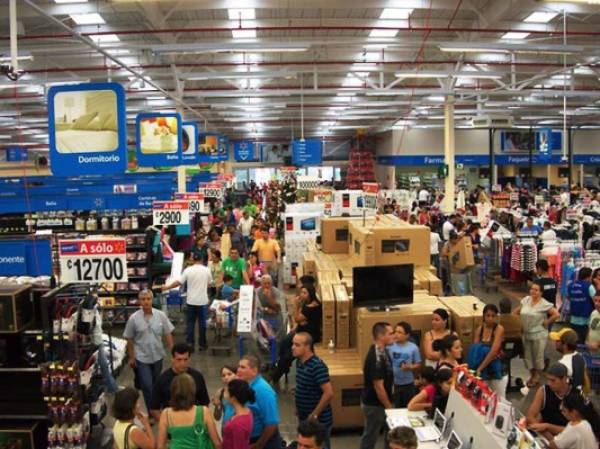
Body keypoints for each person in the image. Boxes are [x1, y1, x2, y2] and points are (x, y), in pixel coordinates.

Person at [123, 289, 174, 410]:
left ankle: (158, 405)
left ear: (152, 300)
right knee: (147, 386)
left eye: (148, 299)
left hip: (157, 356)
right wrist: (131, 357)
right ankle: (152, 411)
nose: (146, 302)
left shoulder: (161, 316)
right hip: (142, 358)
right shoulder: (133, 319)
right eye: (143, 299)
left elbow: (167, 334)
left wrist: (174, 353)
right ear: (139, 301)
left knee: (157, 384)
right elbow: (129, 338)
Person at [271, 284, 323, 384]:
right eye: (301, 292)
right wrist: (299, 322)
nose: (302, 295)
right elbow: (300, 321)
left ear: (311, 294)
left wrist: (295, 305)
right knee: (284, 343)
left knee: (288, 355)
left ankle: (276, 375)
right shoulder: (306, 303)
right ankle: (282, 366)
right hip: (300, 330)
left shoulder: (312, 307)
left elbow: (297, 318)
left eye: (305, 293)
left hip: (308, 335)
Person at [161, 252, 212, 351]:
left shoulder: (188, 270)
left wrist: (167, 287)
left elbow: (178, 283)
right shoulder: (207, 270)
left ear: (193, 260)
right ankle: (202, 344)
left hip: (191, 301)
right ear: (201, 260)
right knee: (202, 324)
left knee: (190, 323)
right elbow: (210, 284)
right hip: (202, 301)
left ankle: (190, 344)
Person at [513, 281, 560, 387]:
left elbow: (556, 314)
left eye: (536, 290)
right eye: (532, 289)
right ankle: (532, 374)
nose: (533, 291)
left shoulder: (544, 304)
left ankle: (537, 376)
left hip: (539, 335)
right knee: (528, 357)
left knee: (538, 357)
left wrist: (547, 322)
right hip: (526, 333)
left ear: (541, 293)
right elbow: (515, 313)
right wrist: (518, 324)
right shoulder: (526, 300)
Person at [157, 373, 222, 449]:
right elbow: (217, 443)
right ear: (192, 390)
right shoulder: (203, 411)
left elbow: (160, 446)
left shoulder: (166, 413)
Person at [292, 332, 334, 448]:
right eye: (293, 344)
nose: (293, 347)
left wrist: (315, 414)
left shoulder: (317, 366)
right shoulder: (299, 362)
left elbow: (328, 393)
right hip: (304, 418)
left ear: (307, 347)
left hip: (318, 422)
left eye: (297, 345)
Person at [149, 343, 210, 422]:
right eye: (179, 360)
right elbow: (154, 409)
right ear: (173, 359)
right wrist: (167, 425)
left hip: (193, 422)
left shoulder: (197, 377)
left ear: (189, 359)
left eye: (185, 359)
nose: (182, 363)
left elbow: (205, 403)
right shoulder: (162, 380)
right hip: (171, 423)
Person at [360, 322, 395, 449]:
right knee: (370, 436)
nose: (394, 336)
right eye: (391, 333)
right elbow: (378, 387)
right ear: (381, 336)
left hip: (380, 403)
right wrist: (389, 409)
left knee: (389, 435)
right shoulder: (376, 357)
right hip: (375, 405)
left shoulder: (382, 351)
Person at [236, 355, 282, 449]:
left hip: (264, 442)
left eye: (243, 367)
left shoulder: (263, 391)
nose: (238, 370)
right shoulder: (246, 386)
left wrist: (258, 445)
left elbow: (271, 424)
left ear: (254, 371)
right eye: (238, 366)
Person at [526, 363, 573, 438]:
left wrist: (548, 427)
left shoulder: (575, 396)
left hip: (566, 438)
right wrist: (547, 435)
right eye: (548, 380)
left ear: (564, 379)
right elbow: (530, 416)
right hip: (545, 435)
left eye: (553, 380)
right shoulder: (543, 391)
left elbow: (575, 430)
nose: (549, 383)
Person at [470, 304, 505, 395]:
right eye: (488, 316)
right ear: (484, 316)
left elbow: (493, 352)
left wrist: (480, 368)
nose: (490, 318)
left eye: (493, 316)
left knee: (497, 396)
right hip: (481, 369)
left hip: (494, 367)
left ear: (496, 317)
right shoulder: (479, 330)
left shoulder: (499, 329)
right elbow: (475, 350)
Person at [387, 322, 421, 408]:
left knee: (408, 407)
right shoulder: (389, 346)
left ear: (407, 335)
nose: (396, 334)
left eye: (400, 332)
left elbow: (418, 364)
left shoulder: (413, 347)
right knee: (396, 407)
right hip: (394, 383)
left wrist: (410, 367)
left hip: (408, 384)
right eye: (395, 332)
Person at [222, 379, 255, 449]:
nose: (224, 394)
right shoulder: (246, 411)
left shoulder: (238, 424)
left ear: (233, 398)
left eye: (226, 392)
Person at [567, 267, 594, 344]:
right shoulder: (589, 286)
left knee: (575, 340)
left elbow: (569, 298)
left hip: (573, 318)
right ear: (588, 276)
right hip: (585, 319)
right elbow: (595, 301)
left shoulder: (571, 285)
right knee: (584, 341)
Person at [256, 274, 286, 342]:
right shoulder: (257, 292)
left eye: (268, 283)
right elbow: (256, 306)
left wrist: (269, 297)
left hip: (275, 316)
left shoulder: (276, 292)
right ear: (261, 284)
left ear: (271, 283)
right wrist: (265, 309)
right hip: (263, 316)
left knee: (277, 338)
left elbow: (278, 307)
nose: (267, 285)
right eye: (264, 283)